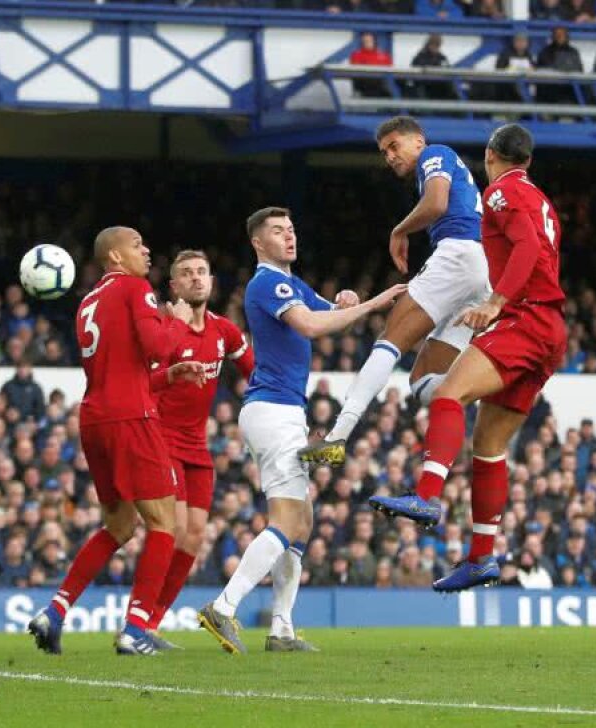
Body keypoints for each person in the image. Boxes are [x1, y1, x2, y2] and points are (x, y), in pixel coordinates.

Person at [198, 207, 404, 654]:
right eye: (277, 231)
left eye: (291, 229)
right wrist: (370, 304)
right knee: (287, 520)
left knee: (303, 521)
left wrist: (348, 302)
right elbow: (311, 325)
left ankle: (282, 630)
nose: (289, 236)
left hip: (279, 410)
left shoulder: (288, 284)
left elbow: (328, 313)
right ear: (258, 242)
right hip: (274, 411)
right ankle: (224, 606)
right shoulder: (268, 282)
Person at [372, 124, 567, 592]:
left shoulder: (500, 192)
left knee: (448, 393)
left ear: (489, 156)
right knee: (488, 446)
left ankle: (426, 496)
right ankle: (481, 558)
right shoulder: (542, 201)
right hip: (549, 329)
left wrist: (498, 301)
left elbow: (524, 247)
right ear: (529, 160)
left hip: (524, 319)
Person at [28, 226, 201, 656]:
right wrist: (176, 323)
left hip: (95, 420)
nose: (147, 250)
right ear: (116, 258)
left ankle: (54, 611)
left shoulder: (88, 301)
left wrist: (165, 378)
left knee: (120, 526)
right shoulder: (134, 288)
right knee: (165, 523)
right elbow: (158, 345)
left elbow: (123, 369)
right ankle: (136, 629)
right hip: (131, 421)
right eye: (138, 244)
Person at [300, 116, 486, 467]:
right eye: (384, 152)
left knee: (389, 340)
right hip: (479, 272)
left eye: (394, 146)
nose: (389, 156)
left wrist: (398, 231)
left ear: (418, 141)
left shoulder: (436, 154)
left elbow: (436, 203)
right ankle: (491, 392)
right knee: (425, 381)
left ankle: (336, 439)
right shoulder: (443, 166)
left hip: (458, 254)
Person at [144, 250, 254, 649]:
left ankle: (151, 624)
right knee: (170, 532)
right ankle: (136, 623)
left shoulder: (225, 331)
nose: (196, 278)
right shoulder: (164, 328)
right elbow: (144, 380)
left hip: (197, 446)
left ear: (211, 281)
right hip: (161, 440)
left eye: (202, 272)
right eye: (186, 274)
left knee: (193, 539)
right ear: (173, 286)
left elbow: (254, 373)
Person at [348, 32, 393, 98]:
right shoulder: (356, 55)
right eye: (365, 41)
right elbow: (356, 71)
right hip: (364, 84)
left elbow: (389, 69)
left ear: (374, 41)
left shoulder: (384, 55)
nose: (367, 43)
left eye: (369, 40)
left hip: (380, 85)